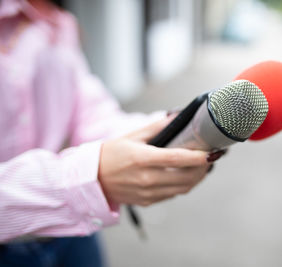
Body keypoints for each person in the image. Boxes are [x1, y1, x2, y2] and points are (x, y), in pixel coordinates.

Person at [0, 0, 224, 265]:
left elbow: (92, 116)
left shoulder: (58, 23)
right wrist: (86, 179)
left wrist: (174, 130)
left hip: (73, 233)